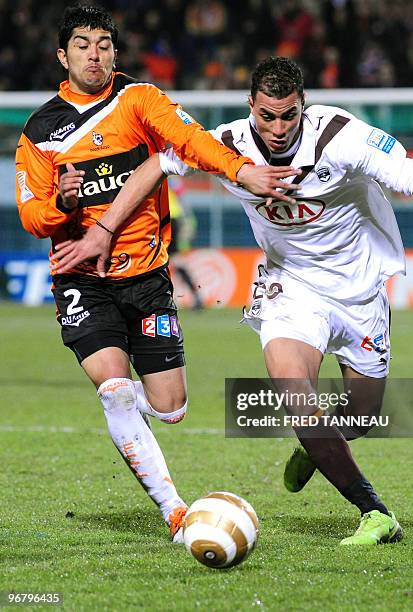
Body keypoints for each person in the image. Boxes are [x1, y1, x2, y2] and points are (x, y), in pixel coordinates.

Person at [52, 57, 413, 545]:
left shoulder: (340, 136)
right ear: (251, 106)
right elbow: (158, 163)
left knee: (359, 416)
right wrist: (103, 230)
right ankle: (374, 512)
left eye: (288, 115)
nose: (277, 127)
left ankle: (319, 446)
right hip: (290, 287)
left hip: (360, 291)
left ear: (303, 106)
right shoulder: (227, 145)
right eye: (266, 115)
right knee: (293, 390)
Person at [15, 6, 299, 544]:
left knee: (171, 409)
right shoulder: (40, 131)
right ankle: (174, 510)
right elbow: (32, 216)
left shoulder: (139, 100)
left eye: (103, 43)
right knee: (116, 391)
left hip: (146, 276)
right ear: (62, 54)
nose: (94, 54)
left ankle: (131, 415)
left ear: (115, 52)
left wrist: (241, 170)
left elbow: (189, 142)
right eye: (82, 44)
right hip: (81, 275)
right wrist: (60, 202)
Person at [167, 181, 204, 310]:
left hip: (167, 219)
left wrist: (188, 219)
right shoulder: (170, 177)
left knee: (169, 260)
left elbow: (181, 197)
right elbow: (182, 197)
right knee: (176, 261)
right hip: (172, 218)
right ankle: (196, 296)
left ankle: (196, 296)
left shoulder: (165, 176)